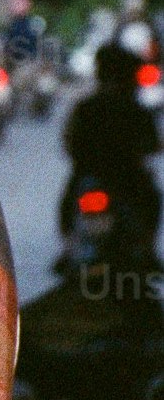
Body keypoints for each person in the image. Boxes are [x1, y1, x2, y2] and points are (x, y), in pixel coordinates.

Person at [59, 39, 163, 255]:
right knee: (151, 200)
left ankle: (69, 250)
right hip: (127, 178)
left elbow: (69, 142)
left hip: (90, 173)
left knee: (69, 202)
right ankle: (146, 249)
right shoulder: (136, 110)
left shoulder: (87, 107)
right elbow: (151, 144)